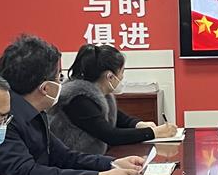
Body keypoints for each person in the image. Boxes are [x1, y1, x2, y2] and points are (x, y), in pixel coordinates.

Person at [0, 34, 147, 175]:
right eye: (58, 77)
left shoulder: (36, 113)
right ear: (46, 88)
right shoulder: (2, 120)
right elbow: (28, 174)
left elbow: (64, 156)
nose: (61, 82)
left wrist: (111, 164)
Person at [46, 43, 178, 156]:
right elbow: (110, 135)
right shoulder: (77, 99)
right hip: (77, 163)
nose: (122, 77)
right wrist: (153, 133)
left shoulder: (100, 93)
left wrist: (139, 124)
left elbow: (120, 118)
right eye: (122, 72)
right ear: (109, 76)